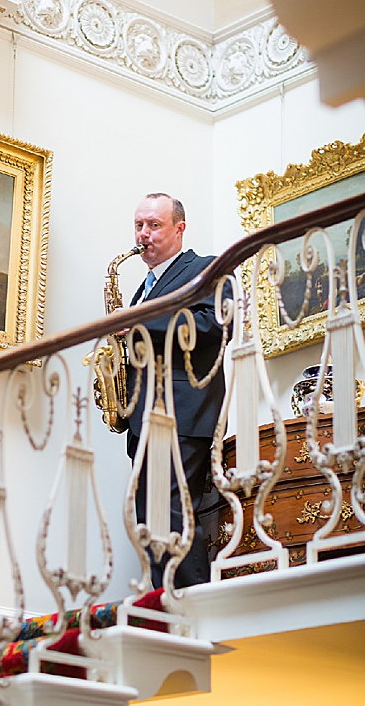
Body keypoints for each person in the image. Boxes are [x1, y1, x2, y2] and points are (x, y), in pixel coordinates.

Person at [126, 193, 227, 589]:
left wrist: (138, 322)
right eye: (139, 225)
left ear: (179, 228)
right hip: (146, 416)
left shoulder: (206, 269)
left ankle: (191, 604)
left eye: (154, 225)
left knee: (171, 511)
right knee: (148, 518)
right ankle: (166, 601)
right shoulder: (144, 287)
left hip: (184, 412)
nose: (144, 234)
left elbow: (216, 325)